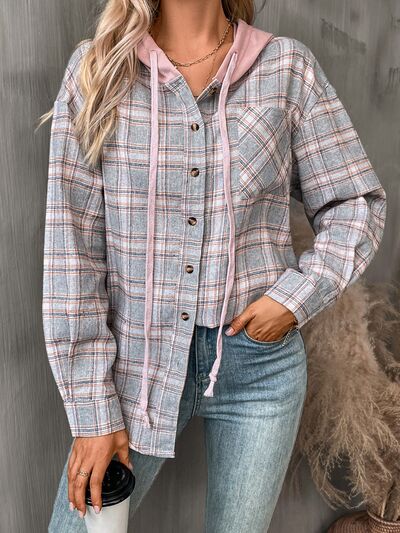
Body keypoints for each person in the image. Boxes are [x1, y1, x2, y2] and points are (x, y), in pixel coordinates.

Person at [40, 0, 387, 531]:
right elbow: (73, 254)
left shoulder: (286, 69)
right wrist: (92, 413)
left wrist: (294, 299)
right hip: (136, 367)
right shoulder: (99, 70)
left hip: (259, 369)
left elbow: (355, 203)